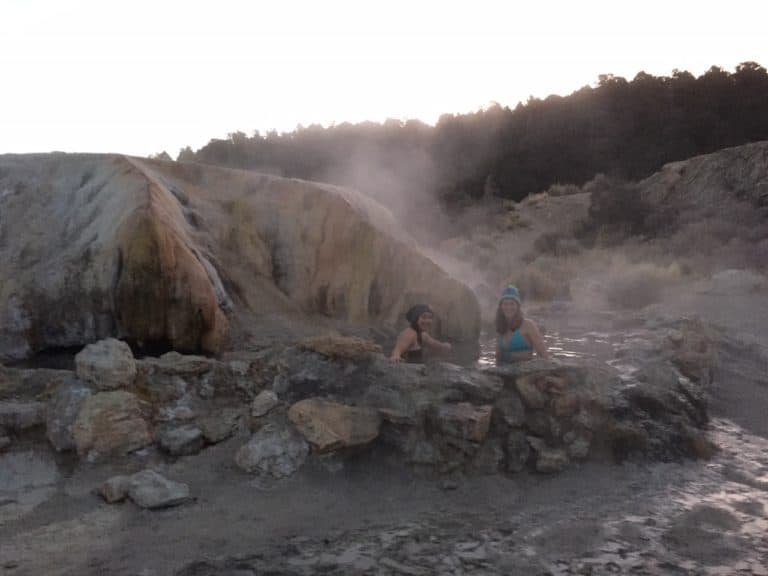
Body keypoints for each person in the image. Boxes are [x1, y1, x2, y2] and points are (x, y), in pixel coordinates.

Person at [495, 285, 548, 364]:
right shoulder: (500, 327)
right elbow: (497, 357)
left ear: (518, 306)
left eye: (512, 304)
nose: (508, 307)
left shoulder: (528, 325)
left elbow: (544, 355)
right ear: (501, 306)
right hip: (502, 372)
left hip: (523, 372)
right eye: (505, 304)